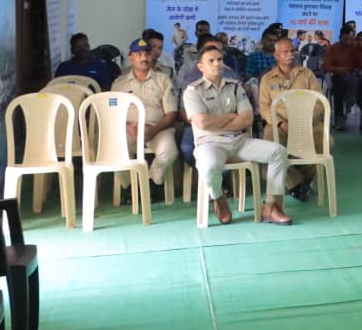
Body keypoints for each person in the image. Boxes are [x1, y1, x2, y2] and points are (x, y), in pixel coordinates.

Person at [183, 43, 292, 225]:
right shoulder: (193, 91)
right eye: (211, 61)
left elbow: (247, 119)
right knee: (209, 166)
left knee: (278, 152)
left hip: (239, 141)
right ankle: (218, 198)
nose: (217, 63)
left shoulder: (235, 87)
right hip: (210, 143)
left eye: (219, 59)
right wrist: (230, 117)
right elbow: (202, 122)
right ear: (200, 66)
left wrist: (216, 122)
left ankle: (271, 206)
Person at [257, 38, 325, 201]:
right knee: (269, 147)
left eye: (292, 51)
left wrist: (304, 121)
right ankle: (295, 184)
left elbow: (319, 102)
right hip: (279, 125)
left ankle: (298, 182)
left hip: (307, 123)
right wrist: (280, 123)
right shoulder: (267, 78)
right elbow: (264, 108)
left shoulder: (307, 74)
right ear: (276, 55)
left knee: (326, 143)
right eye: (285, 52)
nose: (290, 54)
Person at [111, 38, 178, 203]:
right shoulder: (119, 83)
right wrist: (128, 128)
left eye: (146, 53)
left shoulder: (163, 80)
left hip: (157, 129)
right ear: (131, 57)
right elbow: (111, 114)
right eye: (138, 54)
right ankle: (130, 186)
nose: (144, 58)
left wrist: (154, 130)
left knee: (169, 151)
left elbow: (171, 113)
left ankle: (150, 182)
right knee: (114, 150)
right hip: (129, 130)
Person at [322, 25, 362, 131]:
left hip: (355, 76)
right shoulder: (333, 48)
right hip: (339, 76)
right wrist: (340, 70)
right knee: (338, 87)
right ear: (340, 37)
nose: (349, 41)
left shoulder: (357, 47)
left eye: (351, 38)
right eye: (346, 39)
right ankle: (339, 118)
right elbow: (326, 66)